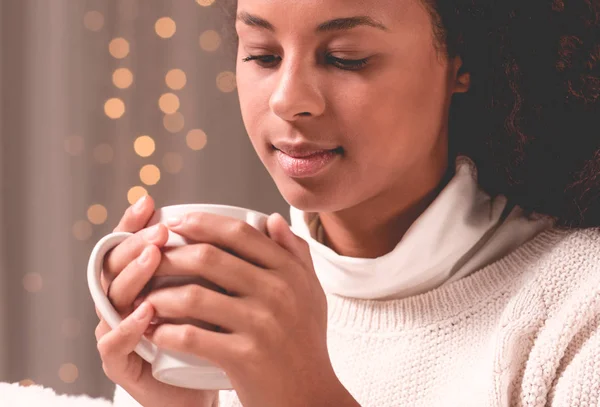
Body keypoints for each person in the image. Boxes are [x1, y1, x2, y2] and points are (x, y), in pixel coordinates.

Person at [95, 0, 600, 406]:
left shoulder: (579, 309)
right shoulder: (214, 314)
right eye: (263, 55)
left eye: (345, 57)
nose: (288, 99)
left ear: (461, 63)